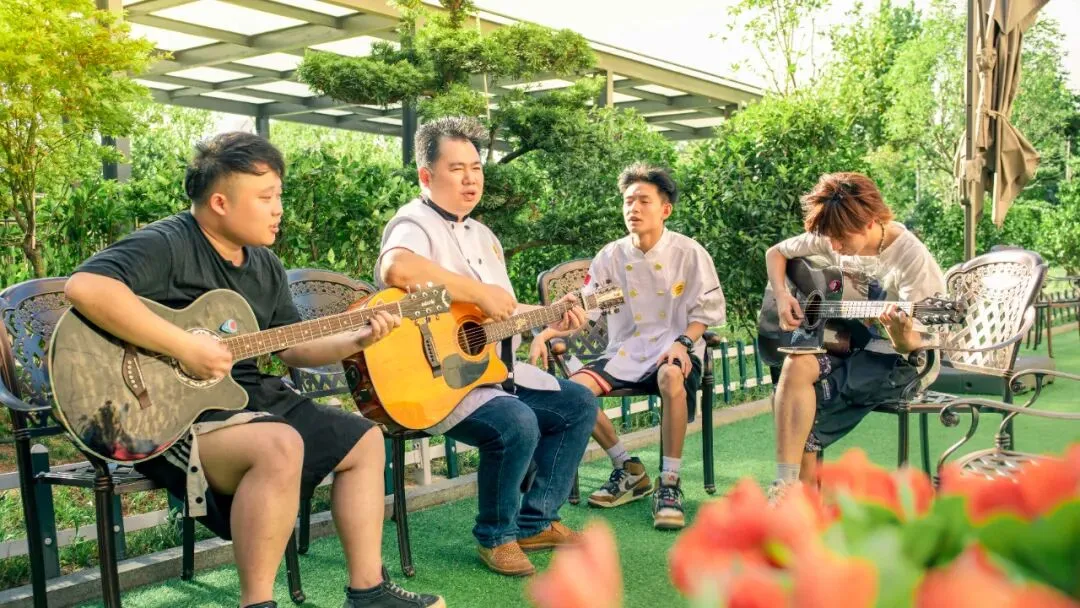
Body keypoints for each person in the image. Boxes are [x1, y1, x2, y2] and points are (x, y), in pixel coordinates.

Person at [63, 132, 443, 608]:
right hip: (164, 415)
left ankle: (369, 592)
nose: (278, 209)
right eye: (265, 197)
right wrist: (184, 345)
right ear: (220, 202)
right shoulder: (168, 243)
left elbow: (291, 347)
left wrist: (358, 339)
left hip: (243, 398)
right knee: (279, 443)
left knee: (363, 440)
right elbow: (85, 287)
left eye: (279, 195)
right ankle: (257, 603)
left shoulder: (264, 264)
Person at [375, 116, 599, 577]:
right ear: (426, 175)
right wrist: (476, 293)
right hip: (439, 380)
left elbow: (501, 312)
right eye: (457, 168)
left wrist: (551, 317)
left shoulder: (484, 236)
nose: (470, 179)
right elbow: (398, 269)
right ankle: (496, 535)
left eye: (475, 168)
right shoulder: (413, 222)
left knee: (578, 402)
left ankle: (536, 521)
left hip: (490, 373)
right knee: (516, 420)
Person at [532, 163, 726, 530]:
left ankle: (669, 483)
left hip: (676, 346)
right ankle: (627, 467)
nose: (633, 208)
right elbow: (588, 308)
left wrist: (684, 343)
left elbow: (706, 311)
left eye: (643, 201)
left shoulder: (688, 252)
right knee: (574, 393)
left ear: (665, 209)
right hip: (627, 350)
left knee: (670, 377)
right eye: (628, 201)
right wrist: (546, 333)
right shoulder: (612, 256)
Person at [764, 172, 946, 496]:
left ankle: (804, 503)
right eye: (829, 238)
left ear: (870, 222)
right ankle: (787, 486)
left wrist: (899, 333)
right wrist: (782, 296)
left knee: (808, 403)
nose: (834, 246)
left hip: (902, 359)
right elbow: (775, 253)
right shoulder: (833, 234)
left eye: (840, 238)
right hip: (850, 341)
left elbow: (914, 345)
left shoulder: (911, 258)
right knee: (795, 365)